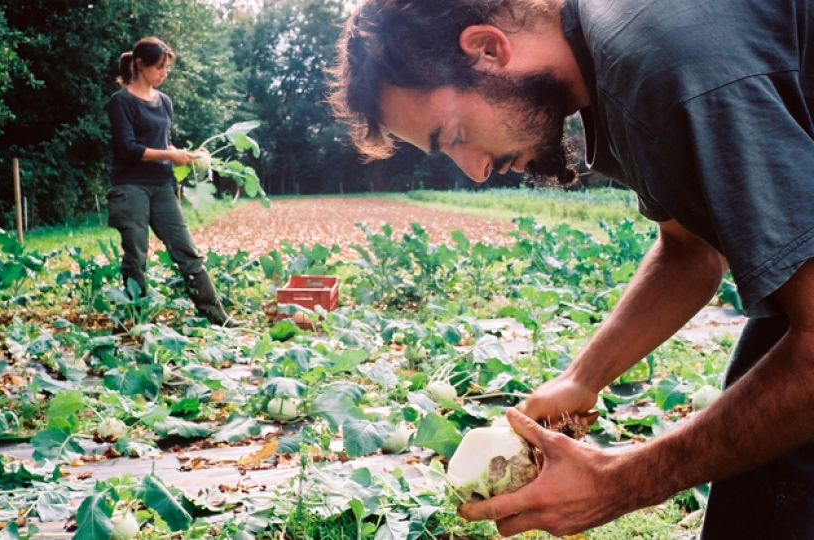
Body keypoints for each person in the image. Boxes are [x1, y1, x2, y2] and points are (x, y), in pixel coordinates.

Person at [329, 0, 814, 537]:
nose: (476, 171)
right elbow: (691, 251)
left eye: (456, 136)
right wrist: (582, 378)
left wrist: (623, 482)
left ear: (488, 49)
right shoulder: (609, 63)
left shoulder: (667, 65)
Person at [105, 37, 237, 327]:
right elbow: (129, 148)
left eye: (166, 68)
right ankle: (136, 317)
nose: (164, 73)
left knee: (186, 249)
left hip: (163, 186)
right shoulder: (121, 102)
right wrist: (170, 154)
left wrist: (190, 155)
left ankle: (215, 314)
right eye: (159, 67)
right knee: (136, 255)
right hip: (130, 188)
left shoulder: (164, 102)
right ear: (140, 64)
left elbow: (161, 143)